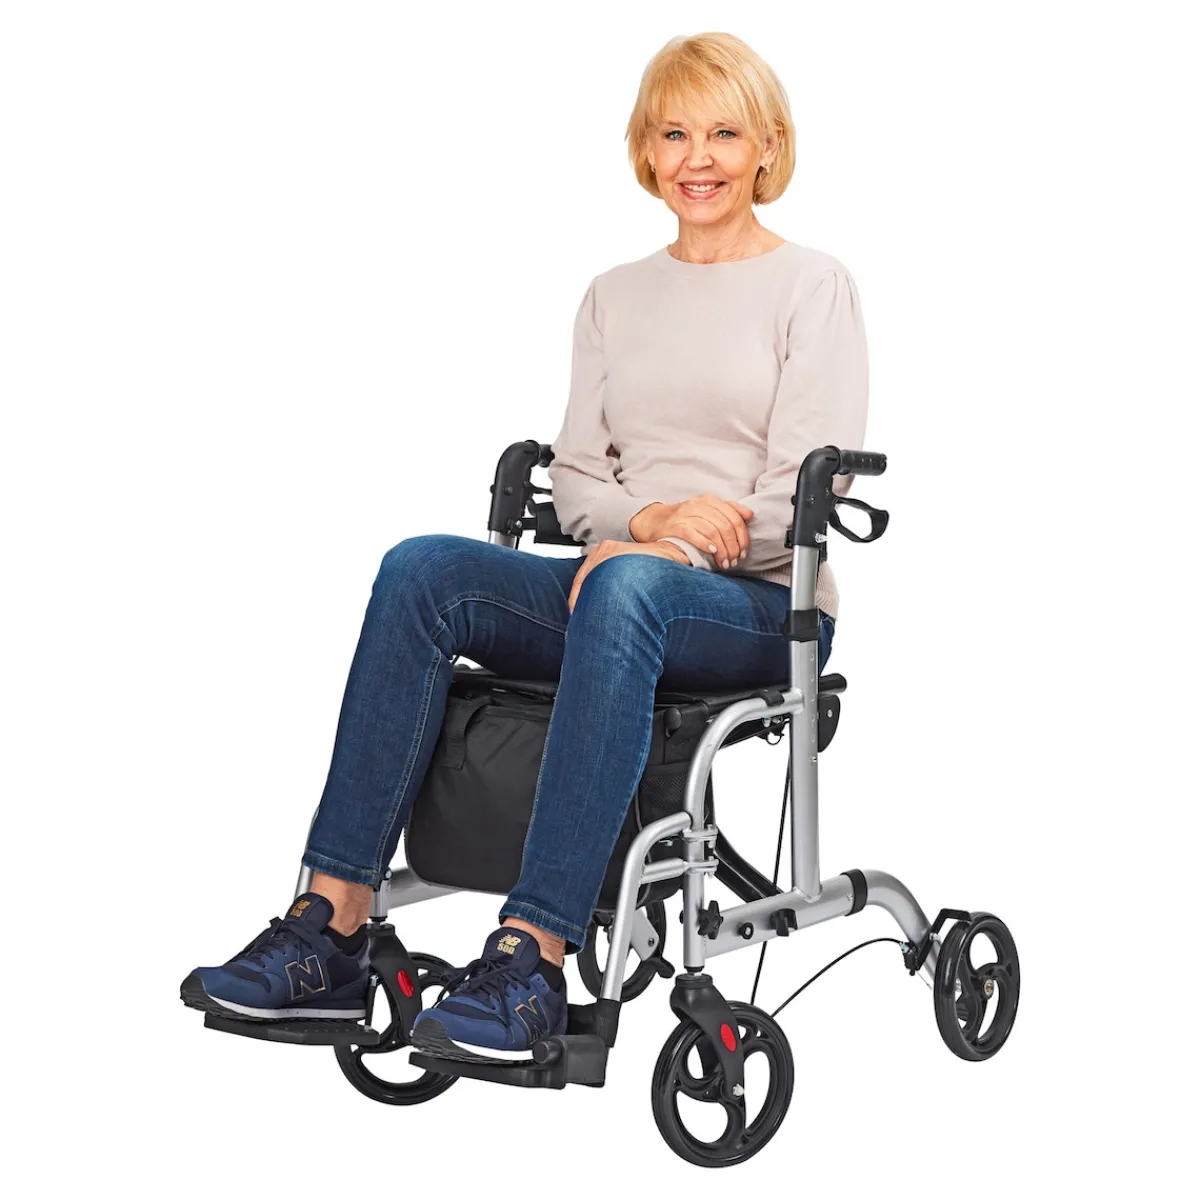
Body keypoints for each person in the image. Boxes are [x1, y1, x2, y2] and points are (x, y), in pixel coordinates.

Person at [180, 31, 867, 1055]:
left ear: (767, 145)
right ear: (646, 149)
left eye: (725, 134)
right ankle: (331, 926)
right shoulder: (613, 296)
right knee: (423, 570)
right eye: (674, 134)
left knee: (626, 590)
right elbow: (578, 478)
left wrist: (666, 555)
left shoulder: (811, 286)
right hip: (620, 578)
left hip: (762, 605)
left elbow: (801, 492)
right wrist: (645, 525)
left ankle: (533, 959)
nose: (698, 159)